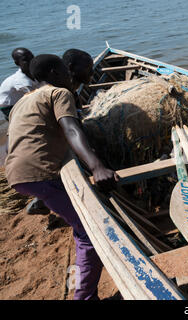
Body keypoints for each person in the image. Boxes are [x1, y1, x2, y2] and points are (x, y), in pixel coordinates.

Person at [5, 54, 119, 300]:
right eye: (65, 73)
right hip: (40, 174)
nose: (69, 76)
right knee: (89, 232)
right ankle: (84, 297)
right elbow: (71, 128)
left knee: (73, 217)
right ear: (55, 75)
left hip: (16, 174)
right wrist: (97, 166)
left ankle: (44, 200)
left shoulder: (23, 101)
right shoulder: (58, 93)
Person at [0, 48, 50, 214]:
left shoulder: (31, 74)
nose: (30, 61)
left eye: (31, 57)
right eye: (25, 60)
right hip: (10, 107)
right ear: (17, 63)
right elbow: (35, 97)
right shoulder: (21, 81)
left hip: (22, 102)